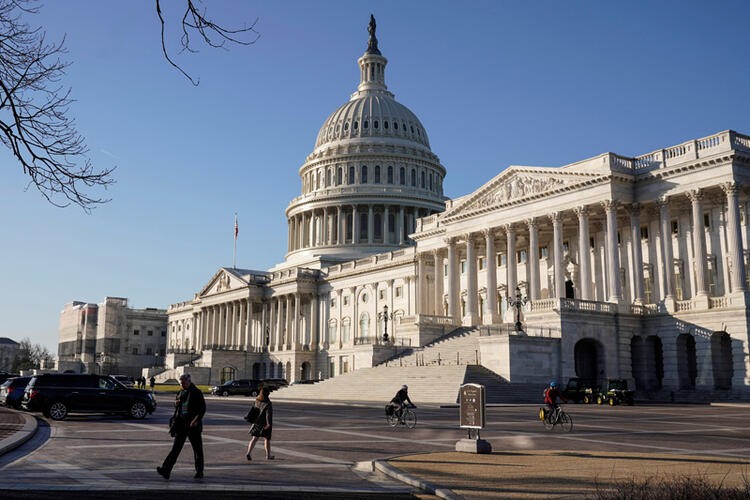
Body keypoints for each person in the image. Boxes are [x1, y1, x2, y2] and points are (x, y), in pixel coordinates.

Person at [157, 373, 206, 480]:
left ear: (189, 381)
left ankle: (199, 471)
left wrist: (195, 420)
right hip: (181, 424)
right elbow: (177, 405)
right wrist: (176, 403)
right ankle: (166, 470)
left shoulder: (196, 392)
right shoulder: (180, 391)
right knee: (175, 448)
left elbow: (202, 409)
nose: (182, 385)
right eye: (180, 383)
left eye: (183, 383)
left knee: (197, 449)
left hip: (193, 425)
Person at [245, 386, 274, 461]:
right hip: (264, 424)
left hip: (257, 422)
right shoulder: (268, 403)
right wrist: (268, 424)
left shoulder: (257, 400)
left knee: (254, 438)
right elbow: (268, 415)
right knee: (267, 439)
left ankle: (248, 453)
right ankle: (268, 455)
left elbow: (253, 410)